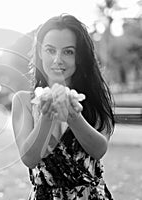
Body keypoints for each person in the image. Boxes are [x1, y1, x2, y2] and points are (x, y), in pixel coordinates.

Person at [11, 14, 115, 200]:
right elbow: (29, 159)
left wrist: (73, 116)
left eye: (68, 52)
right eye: (50, 50)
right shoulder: (23, 101)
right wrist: (46, 116)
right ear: (40, 52)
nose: (57, 59)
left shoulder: (93, 98)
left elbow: (99, 150)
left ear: (80, 57)